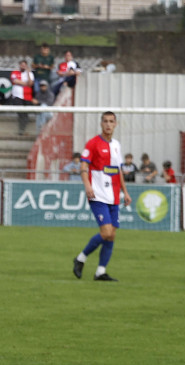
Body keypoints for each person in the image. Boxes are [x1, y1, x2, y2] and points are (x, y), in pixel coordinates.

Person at [72, 111, 131, 282]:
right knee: (105, 232)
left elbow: (119, 171)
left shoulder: (117, 145)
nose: (108, 124)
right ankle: (81, 258)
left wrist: (125, 192)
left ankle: (100, 271)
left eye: (111, 121)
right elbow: (84, 166)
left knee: (111, 235)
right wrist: (87, 185)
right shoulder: (93, 144)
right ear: (101, 123)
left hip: (114, 196)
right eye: (105, 121)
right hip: (97, 195)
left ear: (116, 124)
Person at [9, 60, 35, 135]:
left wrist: (28, 74)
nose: (23, 66)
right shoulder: (15, 73)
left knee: (25, 114)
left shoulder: (30, 74)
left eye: (24, 65)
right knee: (21, 113)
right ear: (19, 65)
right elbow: (15, 81)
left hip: (27, 96)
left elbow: (30, 84)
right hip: (17, 96)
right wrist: (26, 83)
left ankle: (22, 130)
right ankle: (21, 130)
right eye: (22, 65)